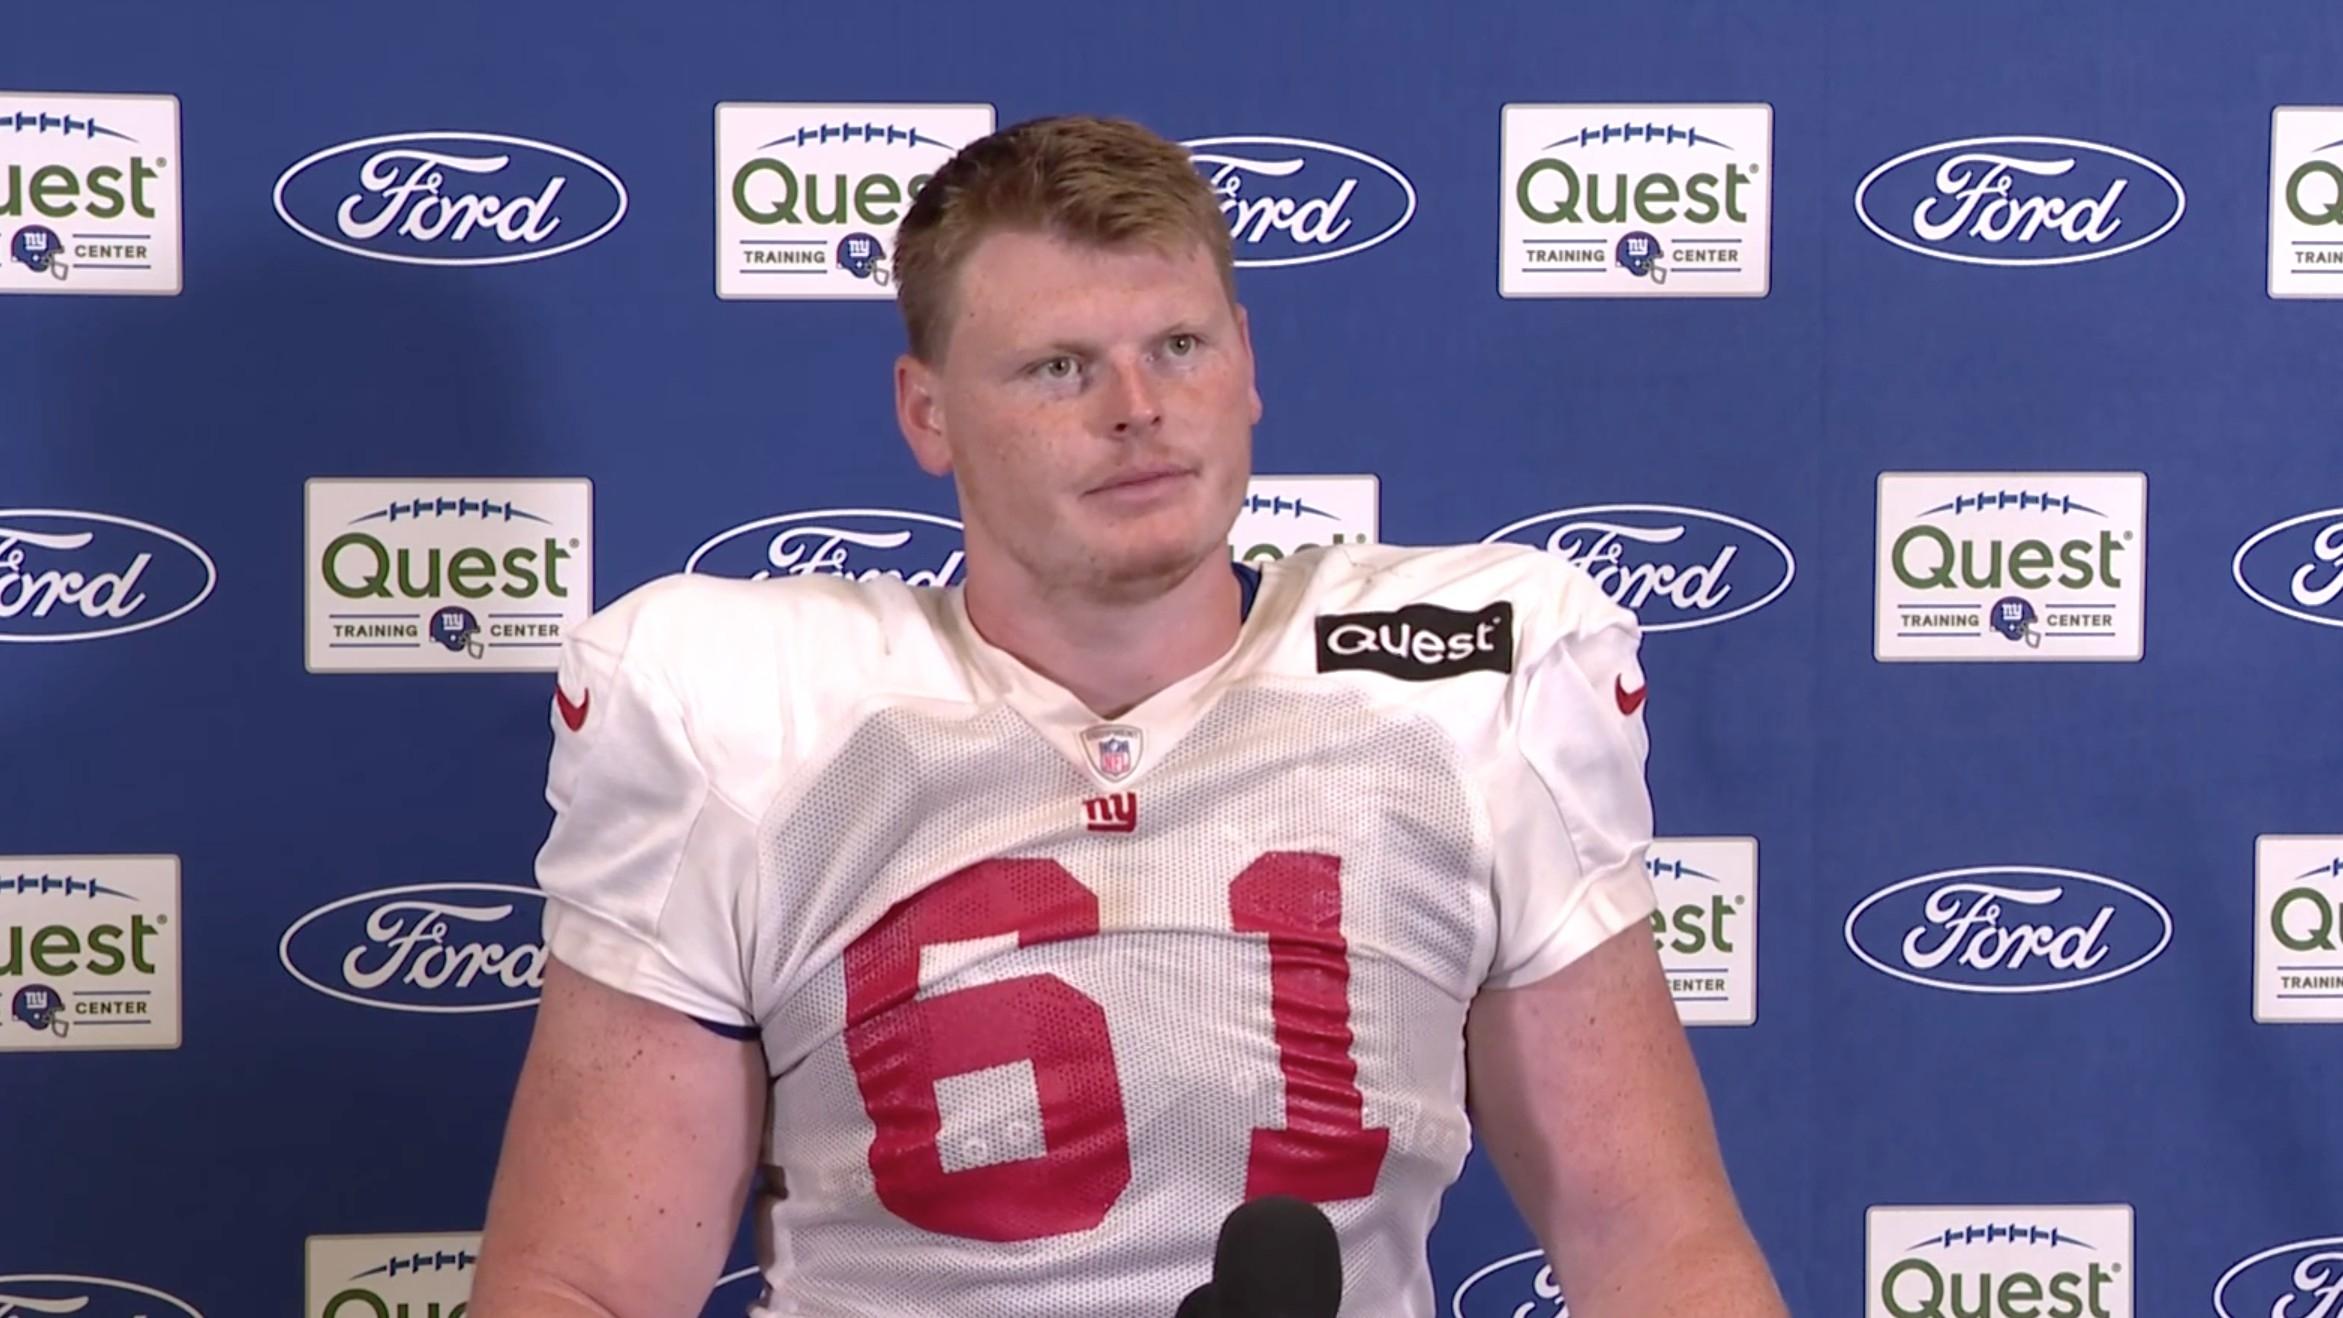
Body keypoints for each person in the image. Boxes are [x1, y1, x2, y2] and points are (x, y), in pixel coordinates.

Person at [469, 114, 1787, 1318]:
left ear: (1248, 365)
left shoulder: (1461, 687)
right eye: (1057, 367)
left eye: (1178, 346)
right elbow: (583, 1281)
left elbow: (1654, 1244)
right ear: (928, 415)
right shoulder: (748, 714)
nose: (1136, 409)